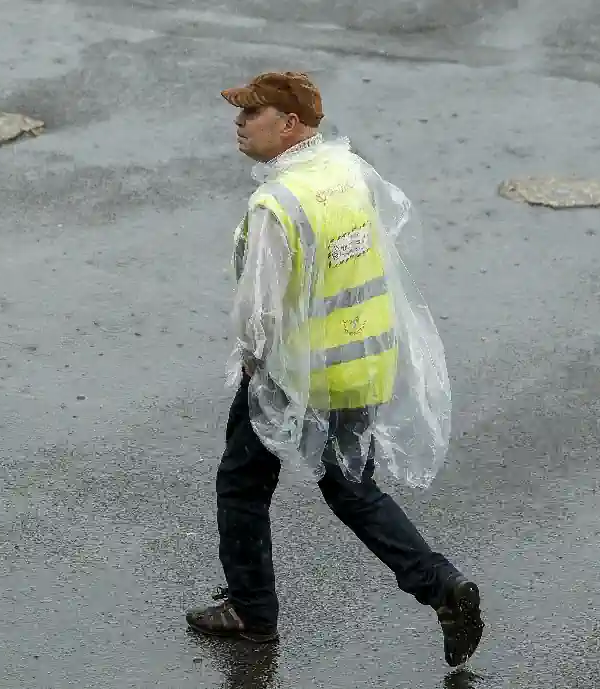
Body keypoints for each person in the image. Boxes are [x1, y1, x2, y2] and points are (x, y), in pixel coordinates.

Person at [185, 71, 485, 668]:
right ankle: (441, 585)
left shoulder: (279, 202)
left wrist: (253, 366)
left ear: (290, 124)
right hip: (360, 363)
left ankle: (251, 610)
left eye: (253, 113)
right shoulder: (349, 174)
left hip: (297, 373)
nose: (239, 124)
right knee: (352, 487)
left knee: (242, 483)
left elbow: (261, 309)